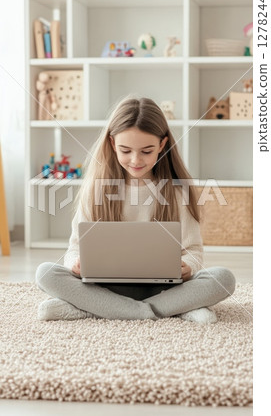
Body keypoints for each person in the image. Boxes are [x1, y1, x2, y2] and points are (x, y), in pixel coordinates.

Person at [35, 96, 235, 323]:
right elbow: (74, 249)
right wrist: (74, 263)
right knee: (46, 273)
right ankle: (170, 310)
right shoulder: (96, 191)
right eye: (126, 150)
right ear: (112, 144)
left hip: (164, 288)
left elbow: (193, 251)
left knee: (223, 278)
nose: (135, 160)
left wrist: (188, 266)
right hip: (105, 287)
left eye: (146, 151)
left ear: (162, 145)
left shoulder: (178, 192)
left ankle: (92, 310)